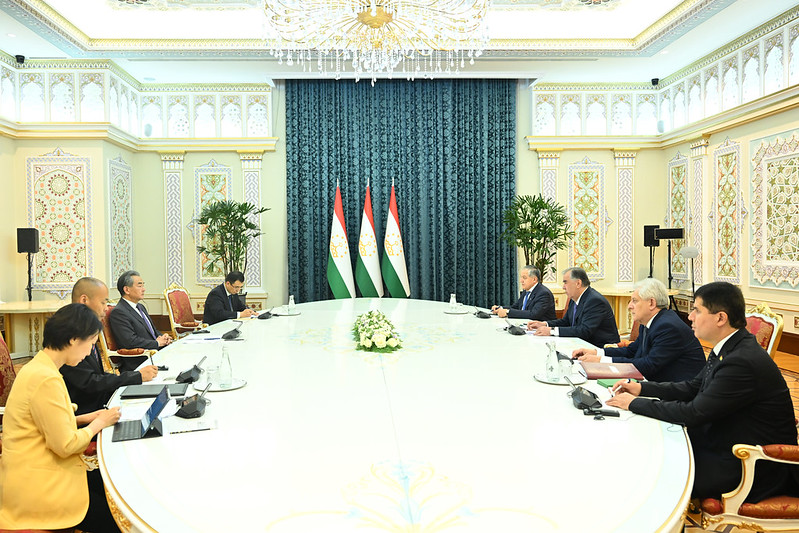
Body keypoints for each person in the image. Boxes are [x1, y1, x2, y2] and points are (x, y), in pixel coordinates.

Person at [607, 282, 799, 502]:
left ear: (720, 318)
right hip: (726, 441)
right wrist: (641, 388)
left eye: (697, 310)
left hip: (750, 466)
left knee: (653, 469)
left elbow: (694, 413)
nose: (690, 317)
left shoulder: (741, 360)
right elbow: (692, 387)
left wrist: (633, 403)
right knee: (649, 448)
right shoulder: (729, 346)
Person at [0, 303, 122, 531]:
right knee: (117, 518)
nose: (90, 352)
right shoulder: (46, 378)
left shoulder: (39, 367)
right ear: (74, 339)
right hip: (40, 485)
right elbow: (65, 445)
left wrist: (85, 418)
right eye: (91, 344)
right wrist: (99, 423)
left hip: (30, 470)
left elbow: (40, 421)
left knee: (109, 484)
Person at [571, 278, 705, 382]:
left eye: (634, 301)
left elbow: (649, 365)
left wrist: (601, 361)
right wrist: (597, 352)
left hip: (678, 396)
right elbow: (632, 350)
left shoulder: (668, 327)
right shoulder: (651, 321)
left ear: (651, 303)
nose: (629, 306)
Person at [61, 277, 158, 415]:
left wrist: (134, 378)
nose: (106, 308)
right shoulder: (70, 333)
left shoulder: (83, 327)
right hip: (87, 412)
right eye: (103, 302)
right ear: (84, 300)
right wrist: (135, 377)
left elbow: (97, 376)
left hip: (99, 402)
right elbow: (89, 382)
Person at [527, 267, 619, 347]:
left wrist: (551, 331)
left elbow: (584, 331)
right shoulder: (574, 298)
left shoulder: (594, 301)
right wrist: (545, 324)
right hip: (581, 344)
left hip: (600, 348)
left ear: (578, 283)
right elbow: (566, 321)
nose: (563, 287)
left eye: (565, 283)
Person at [109, 270, 172, 371]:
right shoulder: (119, 312)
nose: (144, 289)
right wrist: (156, 344)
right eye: (139, 286)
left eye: (143, 285)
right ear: (127, 290)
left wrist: (163, 337)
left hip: (155, 354)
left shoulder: (141, 307)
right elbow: (130, 341)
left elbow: (153, 331)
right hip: (139, 362)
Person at [491, 266, 556, 321]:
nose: (521, 281)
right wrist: (500, 308)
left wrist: (507, 312)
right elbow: (516, 307)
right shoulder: (526, 291)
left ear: (534, 279)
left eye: (524, 278)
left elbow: (534, 314)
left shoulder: (543, 293)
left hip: (541, 329)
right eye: (521, 277)